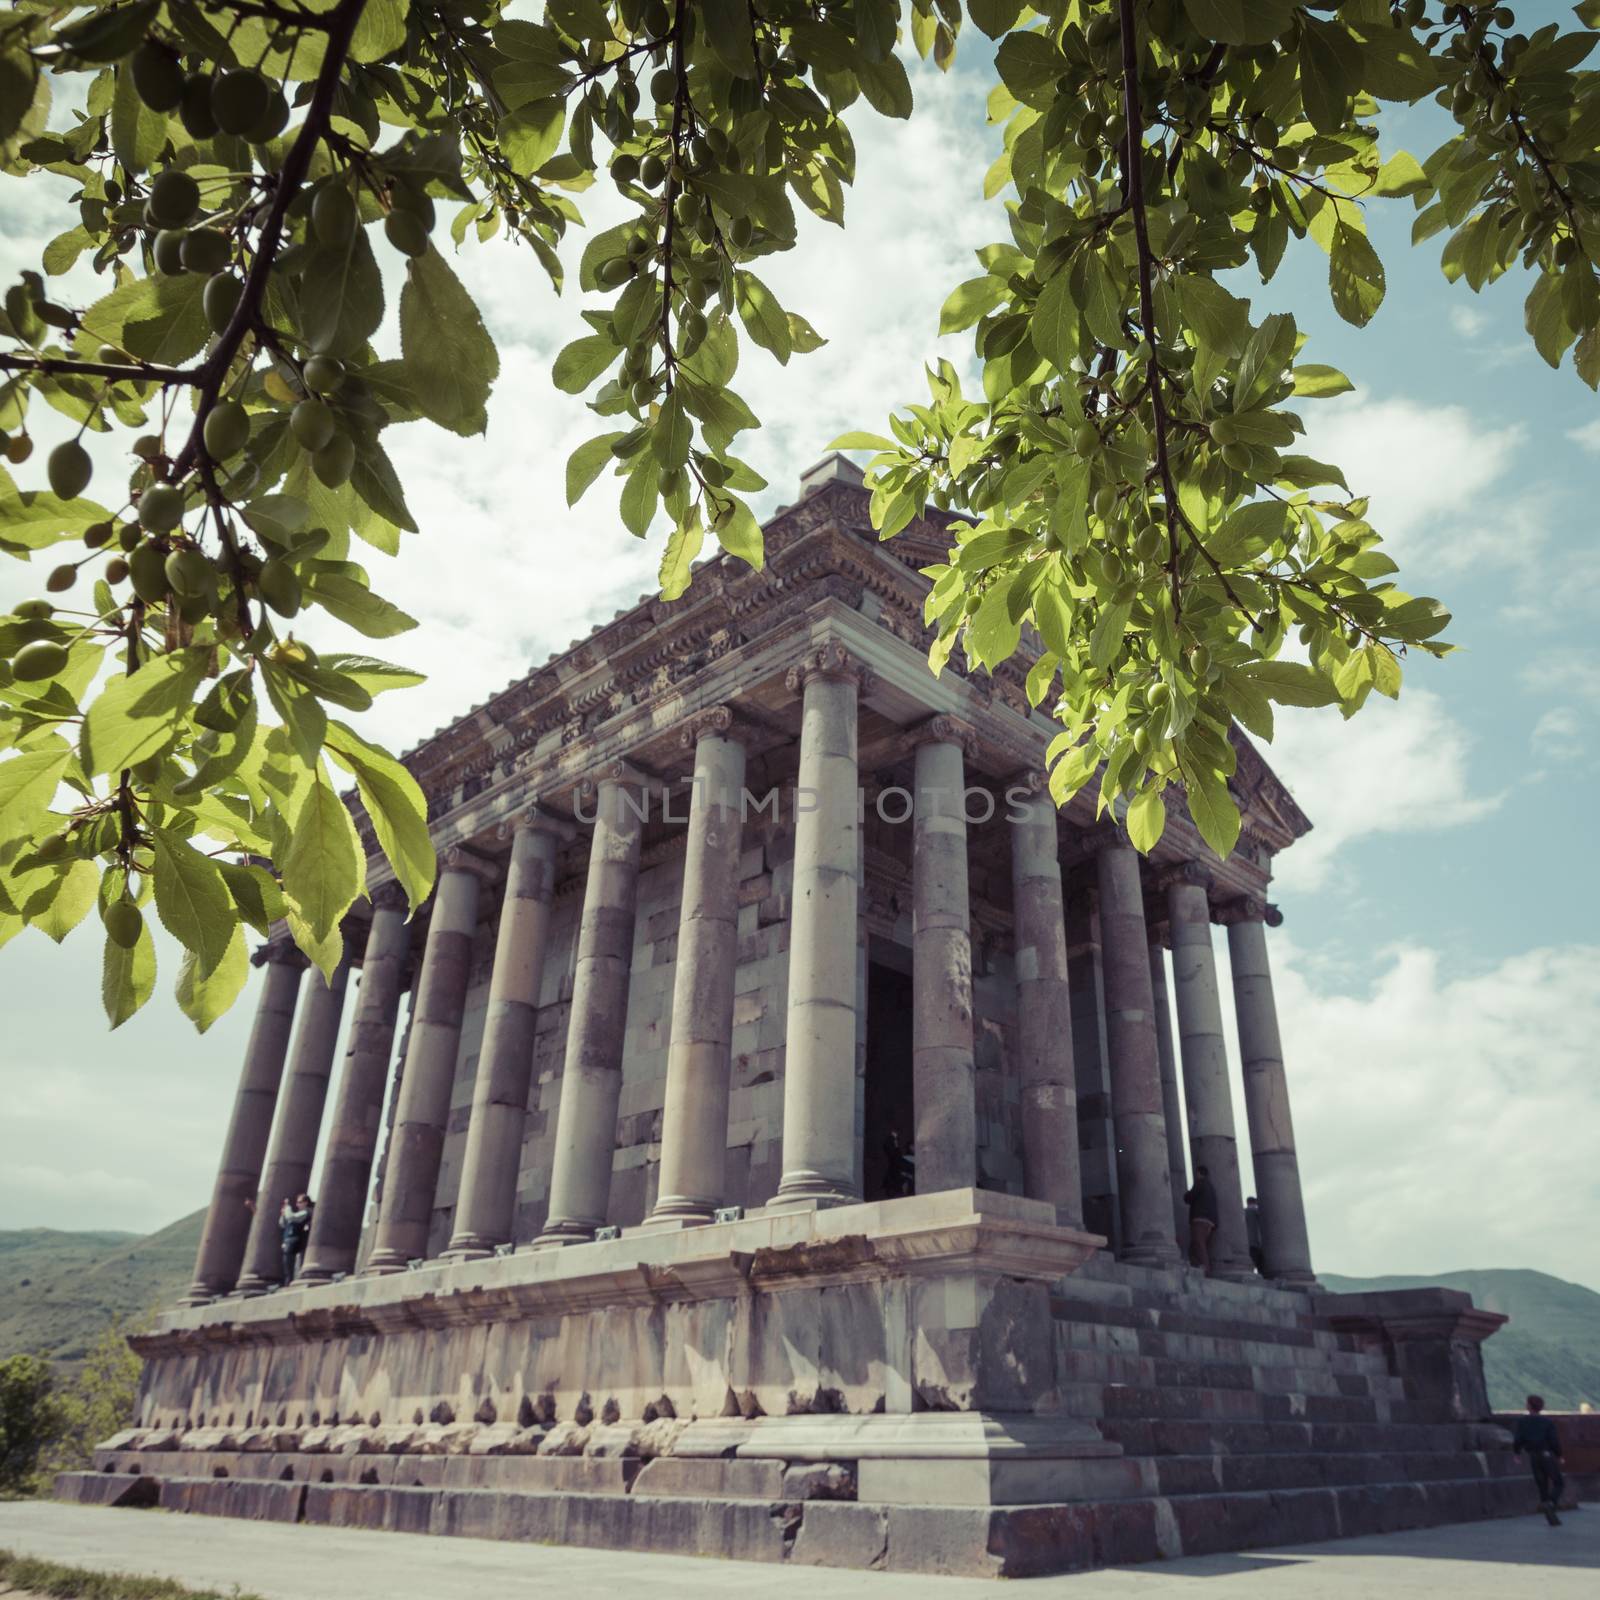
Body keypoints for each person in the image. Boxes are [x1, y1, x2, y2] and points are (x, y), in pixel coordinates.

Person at [1512, 1394, 1566, 1525]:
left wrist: (1517, 1453)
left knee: (1542, 1485)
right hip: (1546, 1454)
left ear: (1529, 1406)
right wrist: (1559, 1455)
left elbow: (1518, 1440)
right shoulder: (1547, 1422)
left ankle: (1549, 1514)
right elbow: (1554, 1441)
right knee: (1558, 1482)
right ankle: (1552, 1503)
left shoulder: (1522, 1422)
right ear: (1541, 1407)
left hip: (1533, 1456)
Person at [1184, 1165, 1218, 1274]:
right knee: (1194, 1246)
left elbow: (1189, 1197)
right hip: (1209, 1221)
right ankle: (1195, 1267)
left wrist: (1186, 1195)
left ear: (1199, 1173)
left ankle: (1205, 1268)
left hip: (1200, 1219)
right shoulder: (1211, 1187)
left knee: (1199, 1243)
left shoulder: (1200, 1183)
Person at [279, 1193, 314, 1286]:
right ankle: (288, 1281)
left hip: (296, 1240)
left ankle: (291, 1281)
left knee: (293, 1264)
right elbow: (283, 1224)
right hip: (290, 1240)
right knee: (287, 1264)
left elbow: (291, 1217)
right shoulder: (298, 1213)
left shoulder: (306, 1212)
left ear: (306, 1203)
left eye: (300, 1202)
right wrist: (283, 1215)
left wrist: (287, 1208)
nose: (297, 1205)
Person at [883, 1130, 915, 1199]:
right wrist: (895, 1139)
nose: (914, 1148)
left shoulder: (917, 1161)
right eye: (912, 1146)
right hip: (897, 1188)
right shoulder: (902, 1158)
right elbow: (895, 1152)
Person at [1245, 1196, 1266, 1276]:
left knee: (1252, 1264)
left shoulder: (1244, 1212)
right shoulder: (1257, 1211)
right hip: (1258, 1243)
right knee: (1261, 1267)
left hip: (1249, 1242)